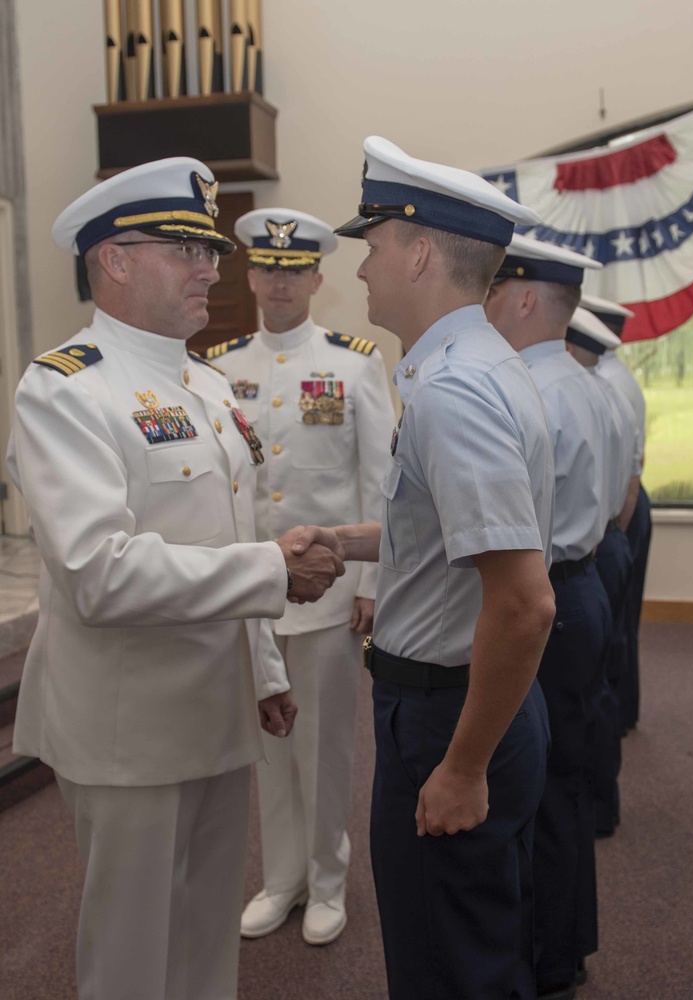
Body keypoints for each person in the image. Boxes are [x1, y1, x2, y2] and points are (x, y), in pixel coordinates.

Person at [5, 157, 342, 1000]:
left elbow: (232, 527)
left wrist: (263, 670)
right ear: (114, 260)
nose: (211, 269)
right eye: (185, 250)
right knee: (130, 954)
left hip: (218, 707)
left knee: (203, 941)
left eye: (211, 252)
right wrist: (274, 571)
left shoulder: (205, 382)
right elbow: (99, 575)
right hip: (129, 729)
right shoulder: (65, 391)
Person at [290, 136, 556, 1000]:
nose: (361, 272)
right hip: (461, 701)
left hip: (451, 714)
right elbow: (452, 535)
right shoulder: (476, 368)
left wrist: (464, 767)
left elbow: (523, 605)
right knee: (467, 941)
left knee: (450, 965)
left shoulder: (452, 393)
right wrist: (351, 537)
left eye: (370, 249)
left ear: (419, 250)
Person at [212, 208, 395, 945]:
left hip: (327, 591)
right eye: (267, 269)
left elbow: (380, 478)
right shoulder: (219, 367)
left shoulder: (354, 363)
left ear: (318, 277)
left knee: (321, 745)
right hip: (254, 590)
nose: (280, 284)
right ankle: (281, 877)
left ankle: (326, 879)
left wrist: (373, 582)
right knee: (269, 743)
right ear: (249, 275)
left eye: (295, 272)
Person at [485, 234, 612, 999]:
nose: (489, 303)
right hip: (579, 587)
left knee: (537, 786)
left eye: (498, 290)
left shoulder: (529, 387)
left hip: (550, 597)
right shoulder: (579, 379)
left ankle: (546, 956)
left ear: (527, 298)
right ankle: (566, 944)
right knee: (566, 780)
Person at [566, 307, 639, 839]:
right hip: (603, 544)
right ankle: (598, 802)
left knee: (584, 695)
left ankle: (592, 804)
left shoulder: (578, 395)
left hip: (585, 557)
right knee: (598, 683)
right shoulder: (604, 391)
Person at [584, 293, 652, 736]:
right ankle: (622, 711)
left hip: (622, 514)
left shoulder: (606, 382)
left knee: (615, 625)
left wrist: (616, 538)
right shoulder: (611, 376)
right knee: (620, 620)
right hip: (624, 511)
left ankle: (619, 713)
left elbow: (627, 472)